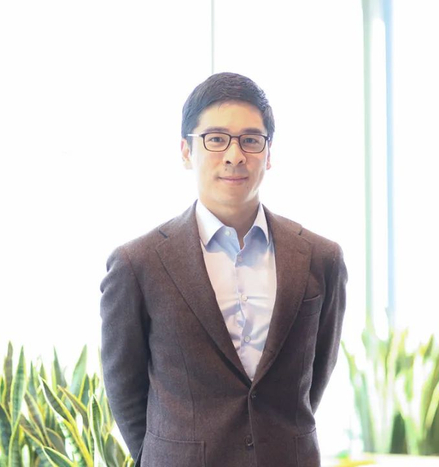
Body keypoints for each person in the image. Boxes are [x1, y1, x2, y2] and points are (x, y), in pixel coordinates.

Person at [100, 72, 347, 467]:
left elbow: (315, 376)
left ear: (268, 153)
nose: (235, 155)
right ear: (186, 151)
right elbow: (123, 386)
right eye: (216, 139)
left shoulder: (321, 258)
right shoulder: (137, 264)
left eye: (251, 140)